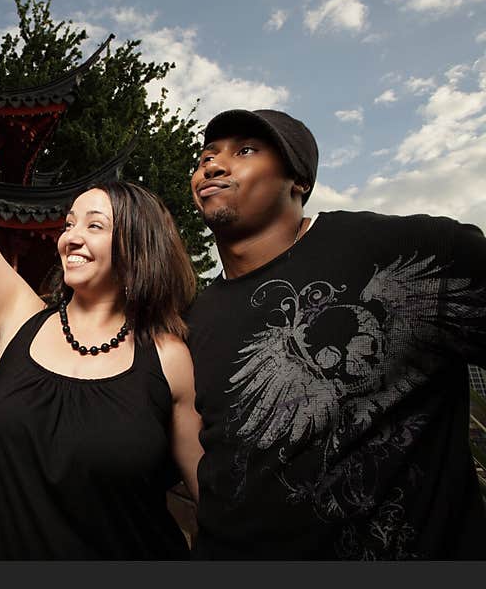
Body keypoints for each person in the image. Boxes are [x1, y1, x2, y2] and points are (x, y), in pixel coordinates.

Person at [0, 23, 203, 559]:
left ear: (136, 248)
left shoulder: (169, 359)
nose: (71, 236)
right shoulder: (17, 318)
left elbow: (209, 497)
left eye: (94, 225)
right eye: (70, 223)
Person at [185, 108, 486, 559]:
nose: (213, 164)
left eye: (245, 150)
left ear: (298, 181)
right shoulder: (195, 318)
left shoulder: (397, 249)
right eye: (207, 155)